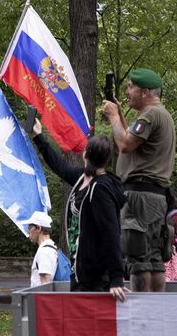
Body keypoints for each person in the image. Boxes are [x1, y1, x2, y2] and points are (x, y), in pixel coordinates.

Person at [31, 120, 127, 301]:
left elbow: (111, 233)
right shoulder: (83, 178)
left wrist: (116, 278)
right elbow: (59, 166)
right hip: (80, 272)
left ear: (87, 155)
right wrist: (38, 137)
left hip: (96, 277)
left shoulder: (101, 188)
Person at [102, 67, 176, 292]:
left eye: (130, 87)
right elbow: (130, 136)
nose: (127, 91)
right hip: (154, 196)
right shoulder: (160, 114)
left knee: (138, 257)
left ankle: (140, 314)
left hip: (139, 197)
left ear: (145, 92)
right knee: (154, 259)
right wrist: (121, 115)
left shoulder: (150, 115)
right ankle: (155, 312)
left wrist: (114, 116)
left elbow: (124, 144)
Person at [23, 212, 58, 288]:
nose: (28, 232)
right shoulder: (53, 246)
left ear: (38, 228)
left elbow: (45, 285)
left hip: (41, 299)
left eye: (29, 228)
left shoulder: (44, 252)